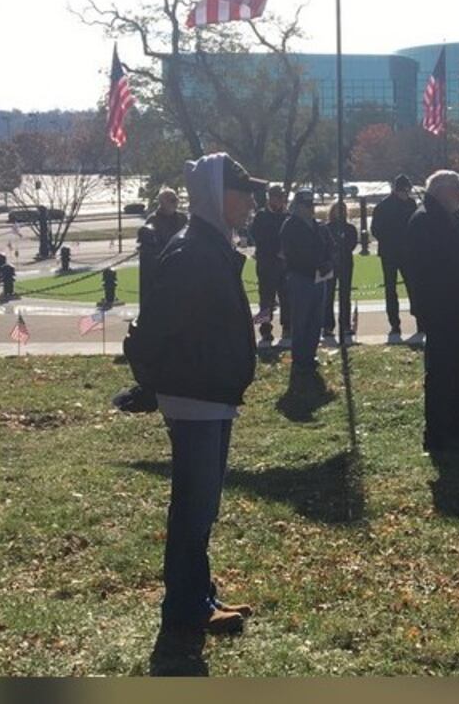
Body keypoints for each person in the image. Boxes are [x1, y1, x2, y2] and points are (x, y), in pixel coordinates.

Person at [134, 153, 265, 676]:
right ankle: (183, 610)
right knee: (193, 508)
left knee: (203, 508)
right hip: (195, 398)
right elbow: (157, 327)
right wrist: (153, 383)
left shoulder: (212, 246)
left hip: (212, 395)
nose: (251, 201)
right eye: (243, 191)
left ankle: (200, 597)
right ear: (216, 195)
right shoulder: (191, 251)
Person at [406, 171, 459, 450]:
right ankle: (438, 430)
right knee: (441, 369)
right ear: (442, 190)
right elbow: (437, 268)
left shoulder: (449, 218)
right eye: (457, 189)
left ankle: (457, 420)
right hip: (441, 307)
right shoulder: (424, 220)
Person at [278, 189, 332, 371]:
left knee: (316, 319)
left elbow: (330, 246)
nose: (311, 209)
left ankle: (310, 354)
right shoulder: (290, 226)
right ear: (298, 206)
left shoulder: (319, 226)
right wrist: (314, 265)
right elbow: (291, 254)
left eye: (312, 205)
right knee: (301, 319)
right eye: (307, 205)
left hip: (319, 278)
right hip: (300, 278)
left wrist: (329, 262)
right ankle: (299, 358)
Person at [370, 175, 421, 345]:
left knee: (413, 287)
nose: (406, 194)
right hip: (390, 252)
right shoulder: (383, 207)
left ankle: (419, 319)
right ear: (397, 190)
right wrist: (391, 238)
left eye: (408, 191)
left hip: (407, 253)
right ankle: (394, 323)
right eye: (404, 191)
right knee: (390, 289)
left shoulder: (411, 204)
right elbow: (375, 229)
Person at [249, 184, 289, 347]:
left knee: (286, 297)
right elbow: (258, 237)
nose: (279, 201)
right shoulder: (261, 217)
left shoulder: (287, 216)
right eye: (276, 197)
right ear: (270, 198)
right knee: (266, 299)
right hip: (267, 263)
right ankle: (266, 331)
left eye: (281, 197)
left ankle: (287, 327)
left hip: (284, 263)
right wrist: (274, 251)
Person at [137, 187, 188, 304]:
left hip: (181, 265)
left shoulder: (182, 218)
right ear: (162, 203)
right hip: (162, 266)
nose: (175, 203)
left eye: (176, 199)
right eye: (172, 200)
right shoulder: (153, 220)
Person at [323, 200, 359, 345]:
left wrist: (341, 248)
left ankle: (345, 325)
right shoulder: (326, 228)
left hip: (345, 263)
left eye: (343, 209)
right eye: (338, 209)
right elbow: (323, 244)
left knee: (345, 295)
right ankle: (327, 326)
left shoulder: (349, 228)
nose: (341, 212)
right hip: (330, 264)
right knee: (328, 295)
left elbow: (351, 243)